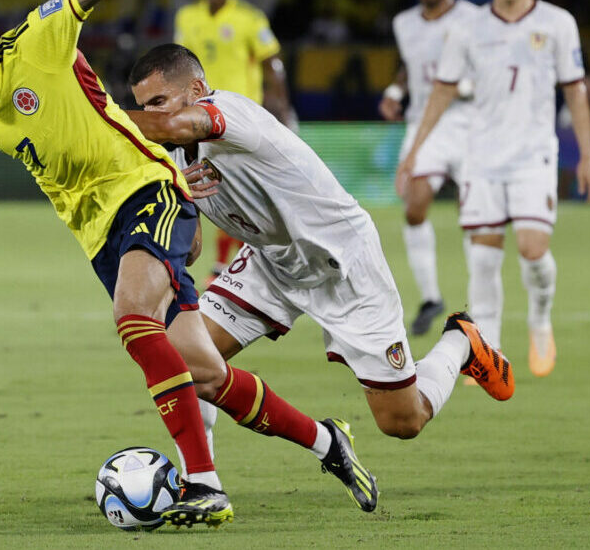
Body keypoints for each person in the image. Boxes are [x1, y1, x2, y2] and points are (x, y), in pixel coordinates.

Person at [0, 0, 366, 527]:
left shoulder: (38, 42)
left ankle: (204, 483)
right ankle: (330, 442)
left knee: (132, 318)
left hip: (148, 195)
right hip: (100, 238)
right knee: (206, 374)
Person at [126, 44, 513, 494]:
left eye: (158, 102)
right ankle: (202, 484)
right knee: (183, 360)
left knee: (403, 421)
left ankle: (460, 342)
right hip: (271, 263)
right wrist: (177, 197)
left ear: (195, 90)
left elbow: (170, 125)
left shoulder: (229, 112)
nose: (150, 115)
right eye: (142, 106)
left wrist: (102, 116)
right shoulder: (173, 155)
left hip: (343, 264)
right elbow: (190, 248)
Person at [397, 0, 590, 378]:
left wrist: (587, 157)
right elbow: (443, 90)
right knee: (485, 259)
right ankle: (489, 357)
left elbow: (575, 90)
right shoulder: (468, 29)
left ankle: (540, 317)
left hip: (533, 157)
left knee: (532, 250)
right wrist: (414, 150)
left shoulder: (557, 23)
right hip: (482, 157)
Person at [379, 0, 481, 336]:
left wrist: (469, 84)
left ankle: (480, 305)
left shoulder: (473, 17)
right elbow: (410, 61)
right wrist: (394, 89)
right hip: (425, 122)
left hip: (470, 121)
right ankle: (430, 297)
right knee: (415, 204)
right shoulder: (404, 22)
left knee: (476, 216)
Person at [174, 0, 295, 285]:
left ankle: (232, 260)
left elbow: (273, 63)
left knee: (239, 187)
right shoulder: (187, 17)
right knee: (215, 187)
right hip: (201, 118)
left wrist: (281, 106)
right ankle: (232, 261)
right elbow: (180, 66)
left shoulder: (249, 19)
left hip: (242, 118)